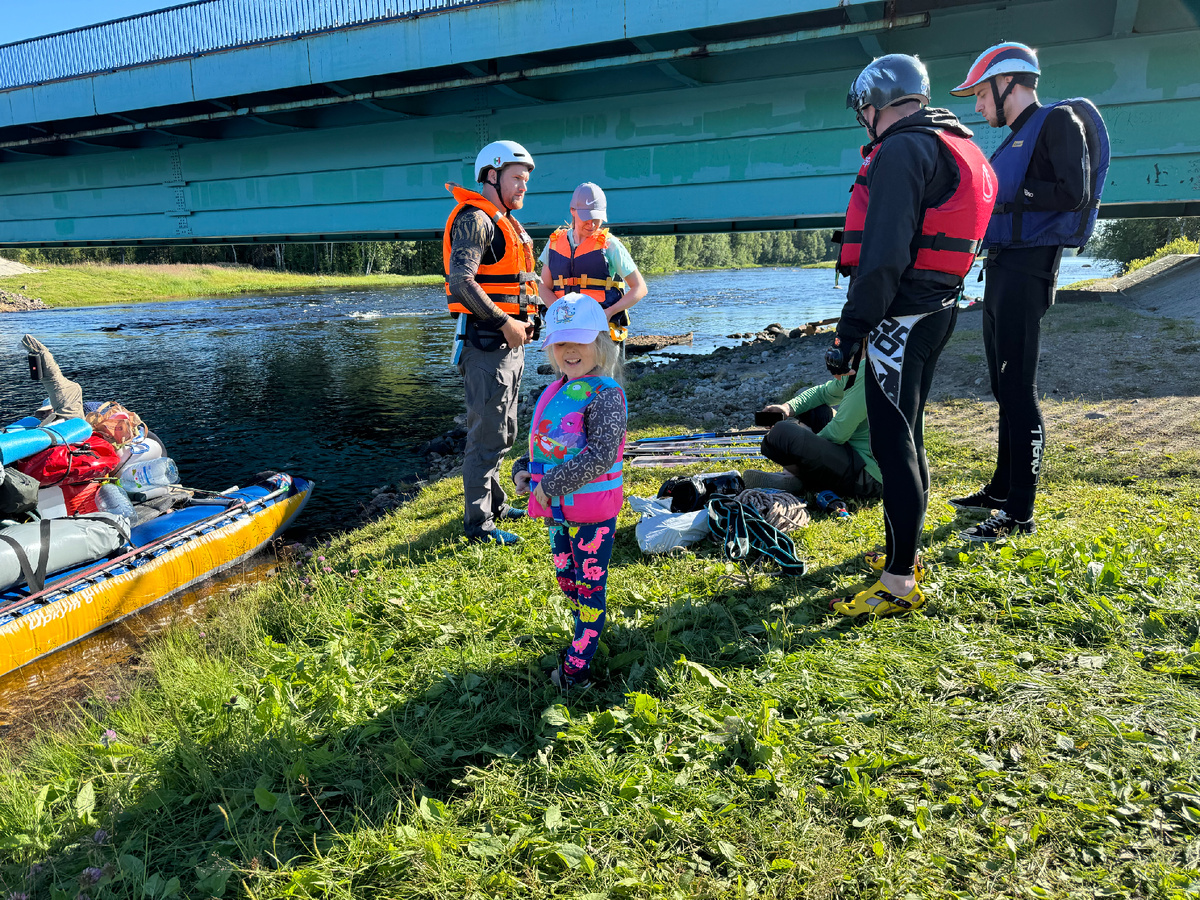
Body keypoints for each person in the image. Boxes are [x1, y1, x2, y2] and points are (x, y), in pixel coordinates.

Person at [826, 53, 995, 618]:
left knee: (894, 446)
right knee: (909, 435)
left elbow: (882, 257)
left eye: (863, 112)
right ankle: (905, 556)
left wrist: (849, 335)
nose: (864, 122)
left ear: (875, 106)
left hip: (901, 317)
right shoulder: (954, 142)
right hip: (938, 309)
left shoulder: (902, 148)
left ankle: (898, 583)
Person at [948, 42, 1108, 542]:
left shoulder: (1056, 122)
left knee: (1019, 389)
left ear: (1008, 85)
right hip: (1001, 269)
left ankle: (1019, 512)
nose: (976, 106)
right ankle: (1000, 489)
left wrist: (1007, 194)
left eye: (980, 95)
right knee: (1001, 387)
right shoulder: (1013, 138)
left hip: (1029, 270)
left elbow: (1072, 191)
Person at [512, 293, 627, 691]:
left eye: (579, 340)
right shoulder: (557, 389)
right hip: (557, 510)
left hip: (591, 514)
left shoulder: (606, 394)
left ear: (600, 342)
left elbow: (600, 455)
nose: (570, 350)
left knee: (591, 586)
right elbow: (545, 444)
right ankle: (586, 627)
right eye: (561, 342)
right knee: (568, 580)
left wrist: (550, 484)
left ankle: (577, 668)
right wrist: (523, 472)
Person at [443, 140, 539, 545]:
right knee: (485, 437)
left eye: (526, 179)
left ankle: (496, 505)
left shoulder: (503, 222)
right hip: (487, 347)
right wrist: (505, 322)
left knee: (504, 431)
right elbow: (460, 282)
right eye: (517, 178)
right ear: (492, 175)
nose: (524, 186)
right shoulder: (476, 219)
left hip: (507, 347)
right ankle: (478, 527)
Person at [538, 182, 647, 356]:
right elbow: (543, 286)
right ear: (573, 211)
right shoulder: (554, 243)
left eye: (597, 218)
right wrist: (560, 313)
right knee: (566, 383)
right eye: (586, 217)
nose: (592, 224)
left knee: (601, 383)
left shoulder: (610, 245)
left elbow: (640, 288)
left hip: (601, 332)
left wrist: (609, 312)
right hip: (563, 331)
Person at [745, 369, 883, 502]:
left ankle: (797, 477)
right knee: (814, 409)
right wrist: (787, 408)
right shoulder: (867, 365)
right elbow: (822, 393)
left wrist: (803, 451)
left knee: (780, 433)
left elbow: (838, 432)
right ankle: (794, 477)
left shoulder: (866, 374)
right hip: (861, 453)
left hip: (870, 477)